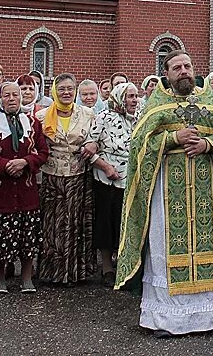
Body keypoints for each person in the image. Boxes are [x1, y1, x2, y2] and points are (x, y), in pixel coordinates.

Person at [115, 51, 213, 338]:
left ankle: (203, 319)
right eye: (177, 67)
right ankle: (164, 320)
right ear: (167, 74)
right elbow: (139, 145)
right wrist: (173, 138)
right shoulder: (156, 104)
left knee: (207, 247)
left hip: (205, 193)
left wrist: (207, 145)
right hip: (166, 194)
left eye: (188, 66)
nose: (184, 71)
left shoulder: (210, 101)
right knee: (164, 249)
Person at [0, 82, 49, 294]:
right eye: (7, 95)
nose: (12, 99)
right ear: (1, 98)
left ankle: (26, 277)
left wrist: (25, 162)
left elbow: (42, 151)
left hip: (26, 191)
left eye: (16, 95)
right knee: (0, 235)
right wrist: (4, 165)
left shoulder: (32, 123)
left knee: (27, 235)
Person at [35, 73, 97, 284]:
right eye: (62, 89)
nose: (66, 92)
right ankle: (51, 272)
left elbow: (97, 138)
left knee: (74, 223)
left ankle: (74, 272)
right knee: (52, 224)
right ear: (54, 91)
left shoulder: (88, 114)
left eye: (70, 88)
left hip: (78, 177)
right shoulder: (42, 116)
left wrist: (93, 145)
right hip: (51, 177)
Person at [84, 82, 139, 287]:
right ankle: (107, 267)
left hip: (132, 178)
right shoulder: (104, 117)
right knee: (107, 222)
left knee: (126, 222)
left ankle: (125, 264)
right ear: (119, 98)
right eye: (130, 96)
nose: (134, 100)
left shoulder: (138, 119)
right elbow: (87, 148)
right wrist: (106, 167)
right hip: (107, 178)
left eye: (135, 96)